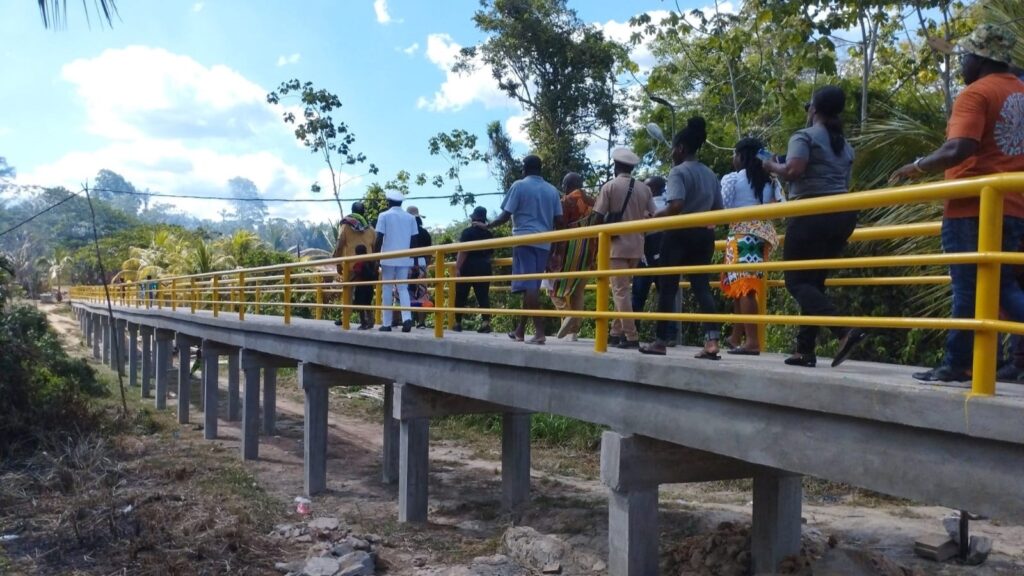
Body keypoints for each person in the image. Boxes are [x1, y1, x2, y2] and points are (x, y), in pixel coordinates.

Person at [890, 24, 1024, 382]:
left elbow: (958, 148)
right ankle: (975, 363)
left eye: (966, 55)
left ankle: (958, 364)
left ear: (980, 59)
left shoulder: (976, 93)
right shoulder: (1021, 90)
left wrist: (916, 167)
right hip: (1012, 207)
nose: (962, 61)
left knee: (971, 289)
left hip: (972, 207)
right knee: (1001, 288)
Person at [763, 85, 865, 368]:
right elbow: (841, 183)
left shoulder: (804, 136)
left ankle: (843, 330)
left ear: (814, 110)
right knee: (814, 282)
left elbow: (795, 170)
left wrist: (772, 167)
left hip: (811, 214)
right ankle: (804, 350)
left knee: (795, 282)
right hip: (842, 216)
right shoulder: (845, 146)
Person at [639, 117, 723, 358]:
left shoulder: (678, 172)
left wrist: (655, 216)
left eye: (674, 149)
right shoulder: (710, 173)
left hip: (677, 235)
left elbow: (676, 204)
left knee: (667, 288)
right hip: (703, 234)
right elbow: (718, 209)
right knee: (701, 287)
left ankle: (660, 341)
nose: (672, 153)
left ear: (681, 148)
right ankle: (712, 341)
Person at [481, 154, 563, 344]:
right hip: (545, 243)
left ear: (524, 169)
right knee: (531, 286)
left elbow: (504, 215)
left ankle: (540, 332)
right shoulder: (552, 190)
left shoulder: (519, 185)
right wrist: (557, 246)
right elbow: (559, 220)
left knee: (530, 286)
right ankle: (520, 330)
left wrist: (487, 226)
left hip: (524, 240)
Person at [721, 137, 782, 355]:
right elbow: (782, 206)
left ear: (741, 155)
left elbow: (724, 206)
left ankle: (752, 341)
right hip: (761, 238)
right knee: (742, 287)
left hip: (740, 235)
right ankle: (736, 337)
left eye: (735, 154)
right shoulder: (770, 180)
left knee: (744, 289)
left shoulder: (733, 179)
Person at [594, 148, 656, 349]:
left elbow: (597, 217)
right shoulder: (644, 189)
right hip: (637, 245)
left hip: (616, 247)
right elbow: (653, 214)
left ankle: (631, 336)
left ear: (616, 166)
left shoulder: (610, 187)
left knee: (620, 292)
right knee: (623, 292)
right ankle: (615, 333)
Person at [549, 172, 598, 341]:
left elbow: (560, 227)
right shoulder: (594, 201)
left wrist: (553, 252)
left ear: (566, 185)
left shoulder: (566, 201)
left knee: (553, 288)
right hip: (589, 250)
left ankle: (567, 315)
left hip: (568, 250)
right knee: (578, 291)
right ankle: (574, 332)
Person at [630, 176, 677, 346]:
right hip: (665, 250)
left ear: (653, 188)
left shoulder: (650, 204)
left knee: (639, 293)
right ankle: (669, 334)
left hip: (649, 249)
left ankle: (633, 332)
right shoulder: (670, 204)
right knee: (664, 292)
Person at [374, 189, 419, 332]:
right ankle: (407, 318)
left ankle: (386, 323)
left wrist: (375, 257)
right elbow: (414, 241)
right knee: (403, 288)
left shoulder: (384, 215)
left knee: (387, 289)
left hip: (387, 258)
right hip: (404, 258)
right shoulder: (410, 218)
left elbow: (379, 238)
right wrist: (414, 260)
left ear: (388, 202)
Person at [333, 201, 376, 326]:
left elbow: (340, 245)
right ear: (363, 213)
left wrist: (337, 263)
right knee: (367, 294)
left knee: (349, 292)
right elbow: (374, 247)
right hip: (367, 267)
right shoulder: (370, 229)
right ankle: (370, 319)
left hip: (351, 266)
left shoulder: (346, 226)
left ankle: (345, 317)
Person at [453, 206, 495, 333]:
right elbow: (491, 252)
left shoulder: (467, 232)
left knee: (461, 295)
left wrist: (457, 267)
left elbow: (463, 251)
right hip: (484, 266)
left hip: (468, 266)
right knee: (483, 295)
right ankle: (486, 322)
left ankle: (458, 323)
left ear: (473, 218)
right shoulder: (489, 234)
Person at [409, 212, 432, 329]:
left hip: (405, 263)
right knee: (422, 293)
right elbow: (430, 252)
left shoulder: (405, 231)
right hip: (422, 264)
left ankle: (405, 319)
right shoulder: (424, 233)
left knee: (403, 292)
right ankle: (421, 322)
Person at [350, 244, 377, 330]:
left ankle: (363, 323)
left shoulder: (359, 263)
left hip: (361, 286)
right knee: (368, 304)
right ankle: (371, 321)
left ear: (357, 253)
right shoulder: (370, 261)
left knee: (360, 305)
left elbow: (356, 273)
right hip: (369, 286)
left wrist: (349, 281)